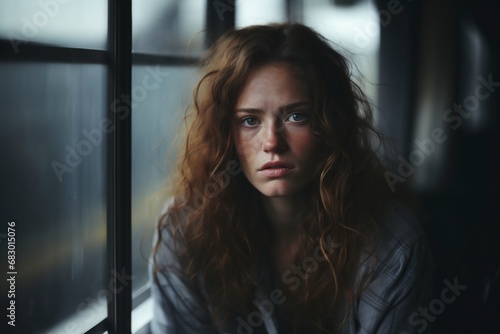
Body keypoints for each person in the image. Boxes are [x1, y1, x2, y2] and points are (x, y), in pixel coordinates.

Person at [149, 23, 435, 334]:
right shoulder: (186, 232)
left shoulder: (392, 248)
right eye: (249, 121)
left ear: (331, 126)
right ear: (224, 135)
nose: (272, 142)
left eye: (296, 116)